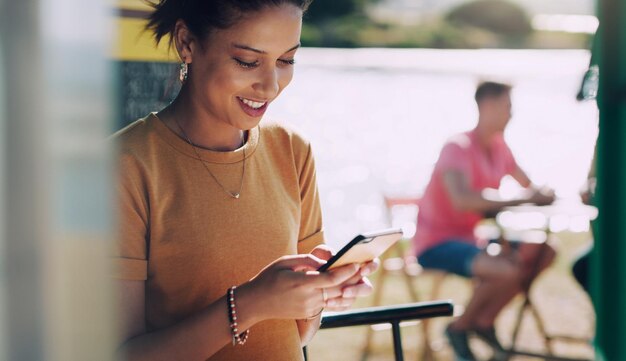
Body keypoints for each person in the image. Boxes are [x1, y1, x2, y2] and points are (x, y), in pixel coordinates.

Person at [111, 1, 377, 360]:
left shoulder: (292, 150)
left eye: (286, 61)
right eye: (248, 61)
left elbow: (298, 334)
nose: (270, 86)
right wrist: (251, 303)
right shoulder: (124, 165)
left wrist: (318, 295)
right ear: (186, 42)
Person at [412, 81, 557, 361]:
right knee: (506, 269)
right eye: (508, 107)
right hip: (436, 243)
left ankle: (484, 322)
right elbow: (463, 200)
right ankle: (460, 327)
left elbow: (529, 186)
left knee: (543, 249)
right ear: (488, 106)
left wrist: (544, 193)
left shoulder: (500, 147)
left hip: (471, 239)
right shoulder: (458, 147)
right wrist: (524, 199)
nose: (511, 114)